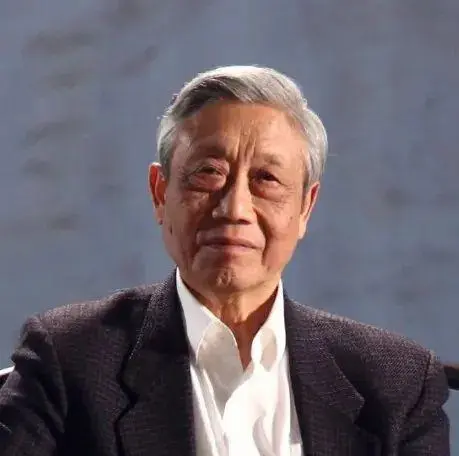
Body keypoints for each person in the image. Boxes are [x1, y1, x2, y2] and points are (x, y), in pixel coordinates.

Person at [0, 65, 450, 456]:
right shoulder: (71, 359)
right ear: (160, 194)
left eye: (266, 179)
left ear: (305, 208)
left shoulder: (396, 385)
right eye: (208, 173)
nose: (235, 208)